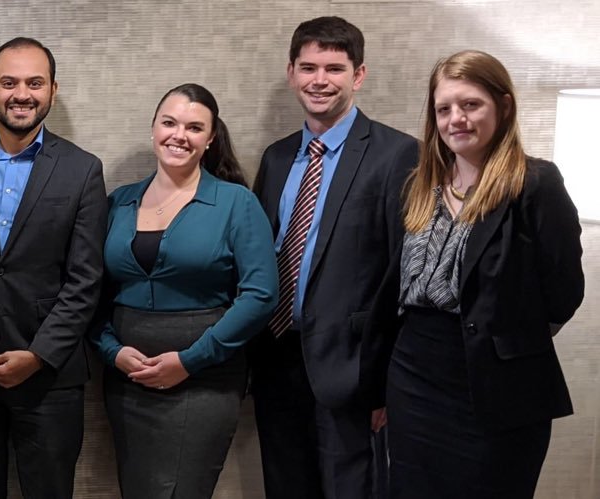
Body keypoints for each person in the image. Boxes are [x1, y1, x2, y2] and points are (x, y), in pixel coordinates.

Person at [387, 49, 582, 499]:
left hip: (498, 391)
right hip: (414, 380)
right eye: (444, 108)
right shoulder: (420, 185)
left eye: (471, 104)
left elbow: (564, 293)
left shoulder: (535, 183)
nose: (456, 118)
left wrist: (503, 339)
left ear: (503, 106)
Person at [248, 16, 419, 499]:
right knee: (284, 485)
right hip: (277, 360)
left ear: (358, 75)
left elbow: (405, 276)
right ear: (291, 73)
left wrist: (387, 384)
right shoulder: (277, 157)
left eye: (334, 68)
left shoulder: (398, 155)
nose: (319, 80)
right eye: (308, 67)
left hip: (352, 370)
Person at [0, 37, 107, 499]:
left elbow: (85, 280)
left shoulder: (83, 169)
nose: (21, 94)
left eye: (34, 82)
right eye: (9, 82)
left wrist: (38, 354)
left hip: (49, 377)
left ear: (53, 89)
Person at [95, 83, 277, 498]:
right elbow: (92, 294)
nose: (179, 135)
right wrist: (112, 351)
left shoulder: (236, 203)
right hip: (127, 384)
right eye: (170, 123)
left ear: (210, 138)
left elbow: (261, 295)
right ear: (153, 128)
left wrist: (190, 360)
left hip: (205, 382)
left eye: (195, 127)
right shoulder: (118, 203)